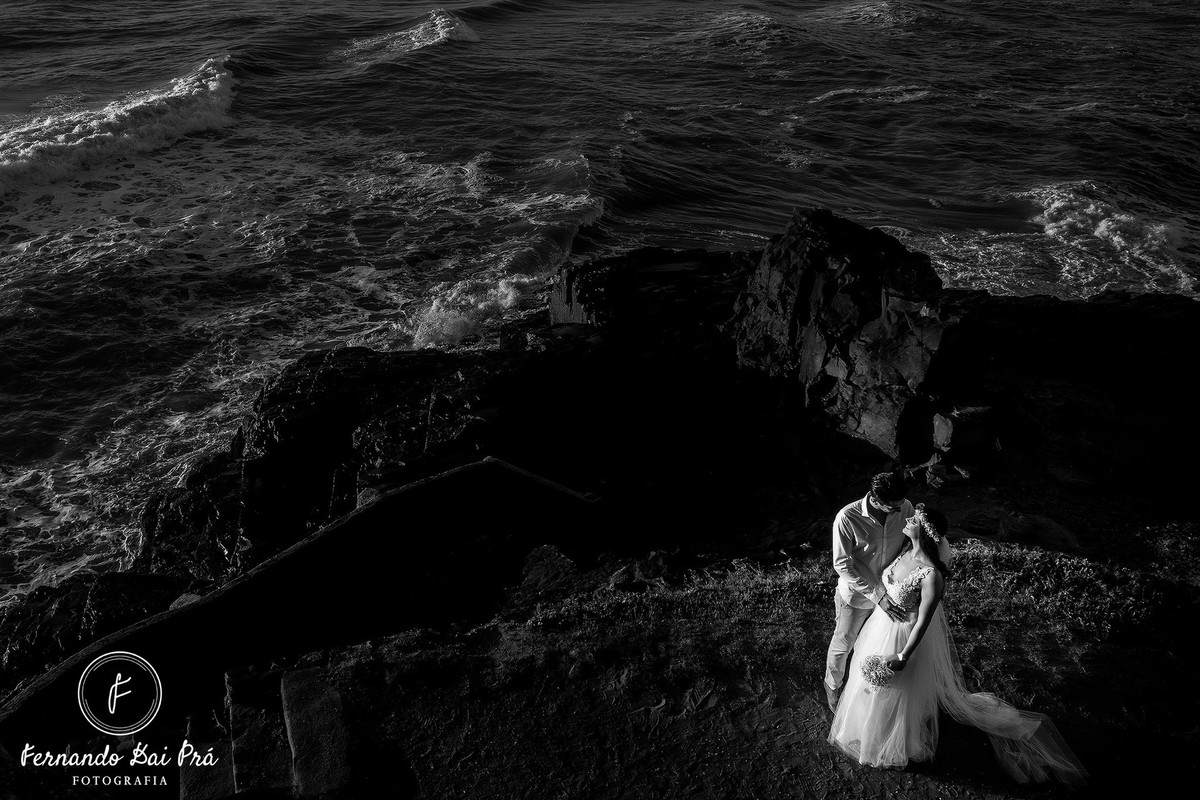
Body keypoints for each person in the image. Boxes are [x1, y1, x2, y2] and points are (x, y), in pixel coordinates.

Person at [827, 504, 1087, 785]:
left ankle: (888, 741)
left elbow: (923, 623)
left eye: (915, 520)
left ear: (924, 531)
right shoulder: (902, 550)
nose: (909, 519)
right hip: (879, 626)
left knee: (894, 692)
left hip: (901, 636)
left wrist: (903, 655)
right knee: (868, 685)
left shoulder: (930, 575)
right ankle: (865, 729)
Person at [824, 472, 914, 713]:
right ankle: (833, 689)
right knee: (844, 643)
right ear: (875, 498)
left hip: (893, 593)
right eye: (892, 507)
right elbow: (842, 563)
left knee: (878, 643)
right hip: (856, 596)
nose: (899, 510)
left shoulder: (905, 506)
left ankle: (867, 693)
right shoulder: (847, 517)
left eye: (900, 505)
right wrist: (877, 595)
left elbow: (909, 543)